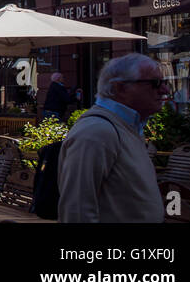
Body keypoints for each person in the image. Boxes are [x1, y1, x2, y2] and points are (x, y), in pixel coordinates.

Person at [58, 53, 168, 223]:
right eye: (155, 83)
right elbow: (76, 211)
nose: (164, 90)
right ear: (120, 88)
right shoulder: (96, 131)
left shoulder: (126, 126)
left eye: (164, 83)